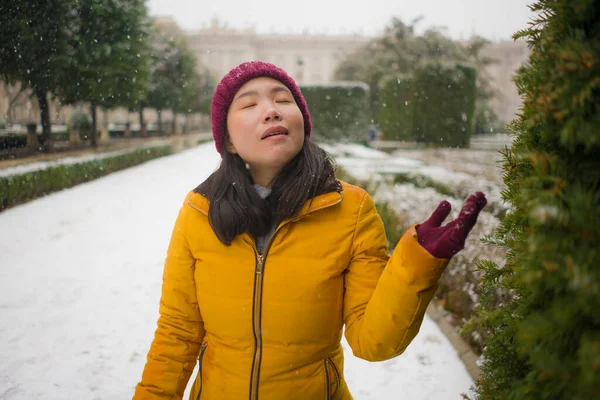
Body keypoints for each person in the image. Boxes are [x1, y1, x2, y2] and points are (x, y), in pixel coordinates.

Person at [133, 61, 487, 400]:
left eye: (283, 99)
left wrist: (417, 265)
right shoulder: (199, 211)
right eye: (249, 104)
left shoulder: (351, 209)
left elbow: (374, 342)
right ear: (226, 140)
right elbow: (177, 332)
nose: (272, 110)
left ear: (302, 120)